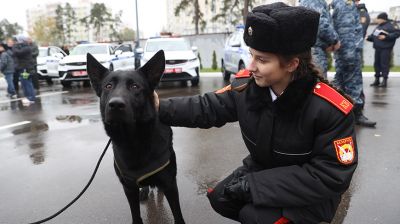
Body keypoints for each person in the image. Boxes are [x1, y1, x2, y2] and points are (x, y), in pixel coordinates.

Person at [155, 3, 358, 223]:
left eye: (262, 60)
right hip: (266, 170)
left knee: (253, 216)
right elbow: (207, 107)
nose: (251, 66)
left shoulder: (330, 109)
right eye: (251, 55)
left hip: (311, 195)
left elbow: (330, 176)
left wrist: (254, 186)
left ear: (292, 64)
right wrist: (157, 107)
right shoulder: (247, 89)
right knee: (222, 199)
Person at [331, 0, 376, 127]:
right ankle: (356, 113)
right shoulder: (346, 4)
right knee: (353, 81)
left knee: (340, 80)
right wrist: (351, 54)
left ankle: (339, 113)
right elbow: (346, 30)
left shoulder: (344, 4)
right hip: (349, 50)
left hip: (346, 50)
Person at [299, 0, 340, 78]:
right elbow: (319, 22)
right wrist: (334, 40)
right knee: (317, 82)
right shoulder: (314, 1)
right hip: (315, 50)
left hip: (312, 48)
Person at [367, 12, 400, 87]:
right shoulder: (378, 26)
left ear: (383, 19)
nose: (377, 20)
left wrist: (386, 37)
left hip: (386, 48)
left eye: (378, 19)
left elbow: (397, 33)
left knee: (384, 64)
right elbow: (373, 36)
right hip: (377, 48)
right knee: (377, 64)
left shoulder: (391, 25)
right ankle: (377, 80)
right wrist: (368, 38)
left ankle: (384, 81)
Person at [12, 36, 36, 105]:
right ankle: (30, 98)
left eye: (18, 40)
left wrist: (14, 46)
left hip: (26, 69)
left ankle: (31, 98)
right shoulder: (25, 47)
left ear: (21, 40)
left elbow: (17, 53)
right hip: (24, 68)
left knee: (27, 83)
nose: (17, 42)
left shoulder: (26, 48)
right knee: (26, 83)